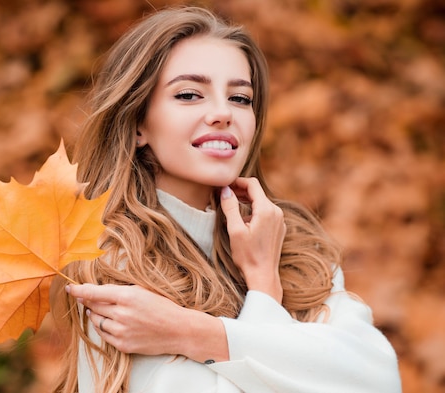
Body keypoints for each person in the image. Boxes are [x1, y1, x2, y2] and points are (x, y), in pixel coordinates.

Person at [49, 6, 401, 393]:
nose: (222, 113)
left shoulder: (294, 247)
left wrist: (196, 331)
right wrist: (269, 302)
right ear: (137, 123)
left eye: (240, 98)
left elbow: (379, 380)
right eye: (188, 94)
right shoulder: (109, 260)